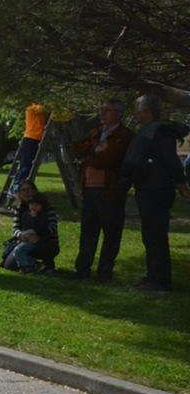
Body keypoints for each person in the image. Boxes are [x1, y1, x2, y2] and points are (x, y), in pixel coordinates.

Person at [120, 94, 190, 293]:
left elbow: (171, 161)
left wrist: (181, 185)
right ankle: (153, 277)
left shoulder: (159, 133)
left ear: (146, 112)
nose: (135, 114)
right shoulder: (152, 131)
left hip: (156, 190)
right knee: (150, 235)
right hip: (148, 188)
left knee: (156, 235)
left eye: (138, 110)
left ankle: (159, 281)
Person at [69, 100, 133, 283]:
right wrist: (94, 149)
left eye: (107, 110)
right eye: (101, 110)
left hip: (110, 191)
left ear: (118, 114)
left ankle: (104, 273)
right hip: (89, 189)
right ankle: (82, 270)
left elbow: (108, 160)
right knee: (88, 230)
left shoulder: (124, 135)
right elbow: (76, 149)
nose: (102, 113)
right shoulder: (96, 132)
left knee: (111, 233)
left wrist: (91, 155)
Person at [1, 182, 59, 273]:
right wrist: (22, 235)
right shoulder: (19, 209)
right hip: (25, 240)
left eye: (29, 189)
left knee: (32, 249)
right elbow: (15, 228)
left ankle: (44, 265)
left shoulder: (47, 208)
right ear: (19, 193)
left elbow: (53, 228)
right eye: (23, 190)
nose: (26, 192)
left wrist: (36, 235)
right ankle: (34, 265)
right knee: (9, 265)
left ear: (35, 191)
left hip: (46, 242)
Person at [12, 102, 49, 191]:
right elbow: (44, 108)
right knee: (26, 165)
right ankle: (17, 186)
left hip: (32, 138)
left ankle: (17, 186)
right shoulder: (32, 108)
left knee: (26, 164)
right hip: (32, 138)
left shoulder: (35, 108)